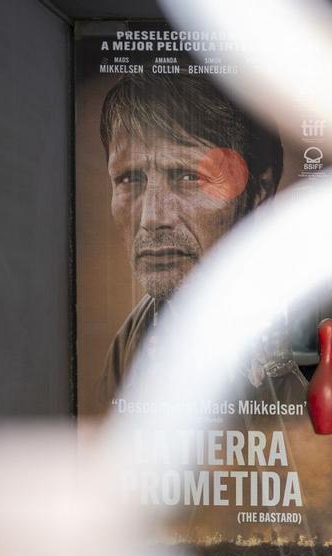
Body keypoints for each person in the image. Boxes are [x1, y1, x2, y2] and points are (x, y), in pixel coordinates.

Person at [98, 72, 284, 399]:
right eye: (129, 179)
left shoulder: (310, 330)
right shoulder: (136, 334)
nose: (153, 218)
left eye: (188, 177)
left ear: (260, 193)